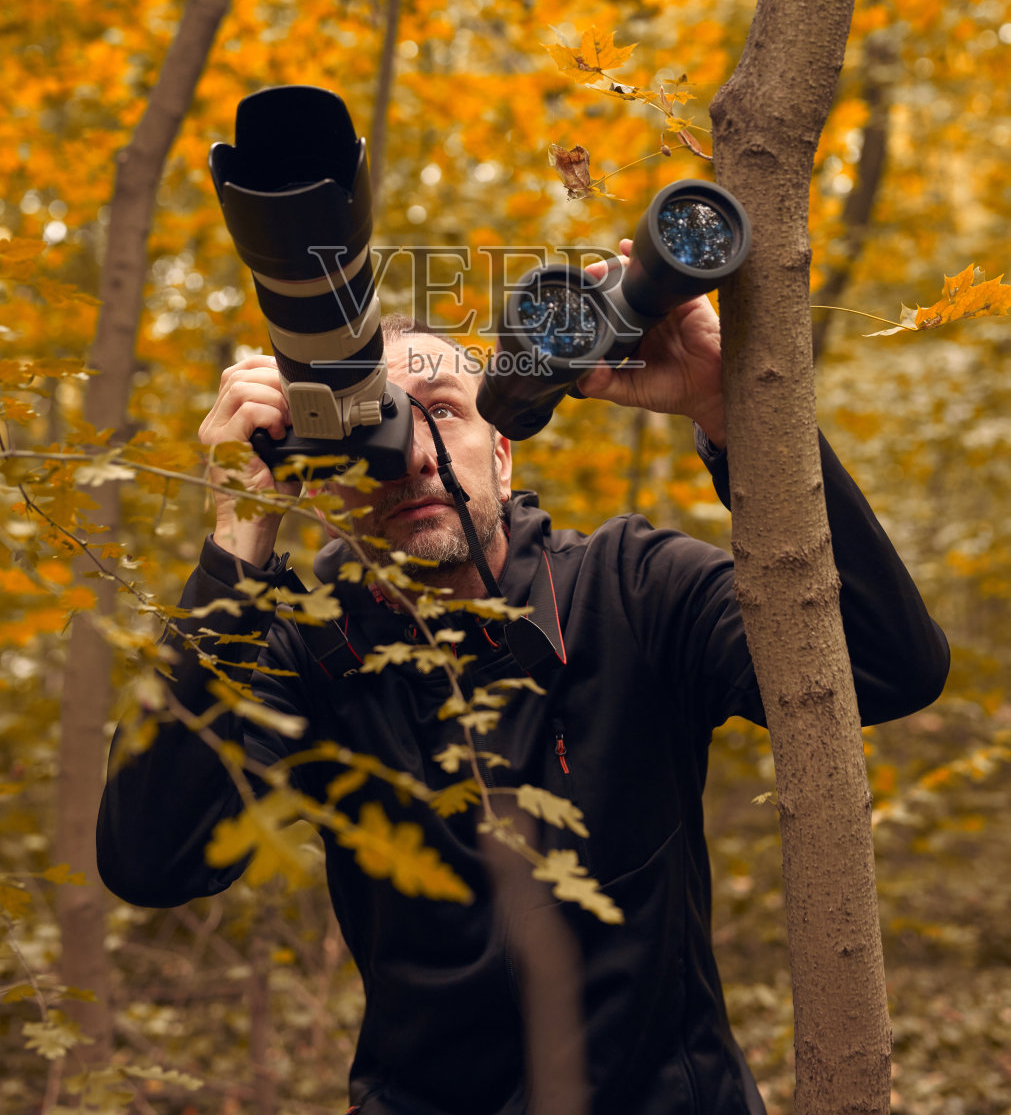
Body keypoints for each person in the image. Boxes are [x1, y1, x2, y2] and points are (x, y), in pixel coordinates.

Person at [97, 260, 949, 1115]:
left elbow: (886, 669)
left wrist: (736, 416)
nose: (410, 456)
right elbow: (151, 861)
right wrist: (237, 542)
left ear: (501, 454)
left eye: (441, 411)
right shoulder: (311, 650)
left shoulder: (631, 588)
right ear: (322, 478)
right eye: (367, 428)